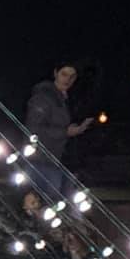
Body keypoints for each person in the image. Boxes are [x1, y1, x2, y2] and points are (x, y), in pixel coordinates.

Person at [24, 62, 92, 200]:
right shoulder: (43, 98)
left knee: (65, 202)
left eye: (72, 76)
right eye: (64, 74)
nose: (68, 80)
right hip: (43, 160)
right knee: (50, 201)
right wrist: (66, 132)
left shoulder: (68, 98)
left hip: (63, 161)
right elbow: (33, 129)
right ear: (56, 73)